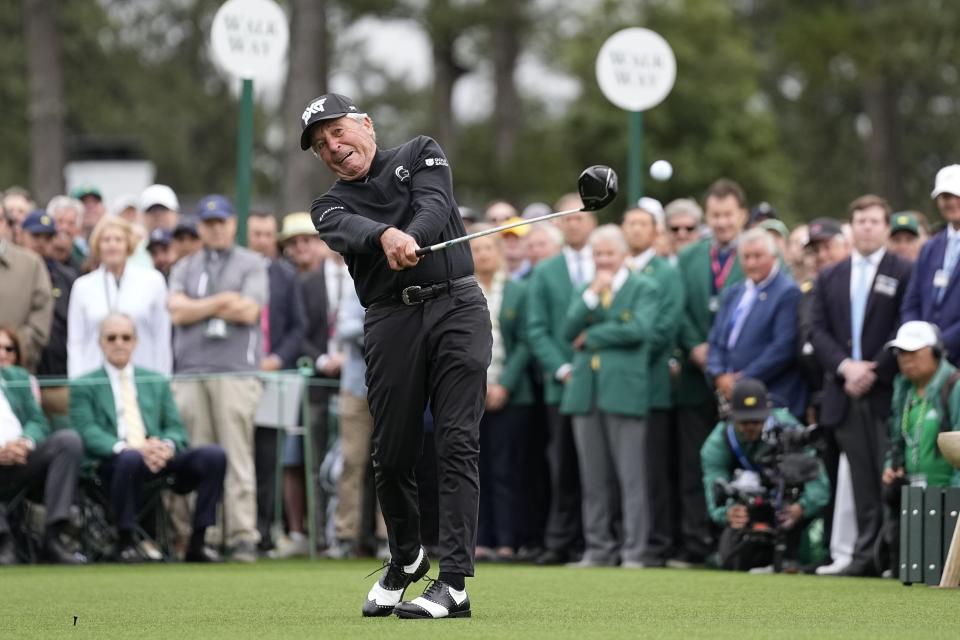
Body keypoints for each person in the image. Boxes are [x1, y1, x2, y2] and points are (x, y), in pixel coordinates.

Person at [302, 92, 490, 618]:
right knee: (392, 454)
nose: (334, 147)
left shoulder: (419, 152)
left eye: (338, 132)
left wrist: (412, 237)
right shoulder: (328, 205)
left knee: (457, 442)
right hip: (390, 318)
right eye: (322, 145)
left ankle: (452, 581)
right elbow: (351, 231)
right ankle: (406, 557)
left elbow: (435, 205)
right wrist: (385, 235)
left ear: (365, 123)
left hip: (456, 304)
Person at [808, 194, 913, 576]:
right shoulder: (830, 275)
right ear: (851, 227)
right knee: (861, 479)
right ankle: (866, 554)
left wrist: (875, 368)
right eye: (861, 220)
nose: (867, 227)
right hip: (844, 390)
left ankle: (893, 555)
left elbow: (906, 322)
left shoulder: (903, 271)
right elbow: (816, 330)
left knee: (890, 474)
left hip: (884, 388)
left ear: (886, 227)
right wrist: (845, 367)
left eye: (874, 221)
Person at [69, 313, 227, 563]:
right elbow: (87, 430)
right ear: (101, 343)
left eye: (126, 337)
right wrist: (128, 448)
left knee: (214, 456)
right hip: (113, 462)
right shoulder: (83, 385)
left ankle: (198, 542)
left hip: (158, 458)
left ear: (135, 342)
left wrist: (164, 446)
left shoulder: (155, 380)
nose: (119, 343)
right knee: (130, 458)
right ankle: (126, 541)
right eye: (112, 337)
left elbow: (176, 428)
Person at [168, 194, 267, 563]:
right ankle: (202, 535)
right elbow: (176, 311)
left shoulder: (252, 263)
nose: (216, 228)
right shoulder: (185, 265)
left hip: (236, 373)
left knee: (238, 457)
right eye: (209, 224)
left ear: (232, 223)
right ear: (200, 228)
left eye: (221, 222)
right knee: (198, 458)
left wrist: (201, 305)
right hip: (191, 372)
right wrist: (221, 300)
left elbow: (248, 310)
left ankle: (242, 535)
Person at [560, 225, 659, 567]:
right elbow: (567, 330)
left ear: (623, 256)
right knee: (593, 479)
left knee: (631, 478)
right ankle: (598, 548)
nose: (603, 260)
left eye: (609, 254)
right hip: (586, 393)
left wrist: (592, 336)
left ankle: (634, 550)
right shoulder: (586, 289)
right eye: (598, 254)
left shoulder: (644, 287)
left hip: (625, 392)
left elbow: (639, 330)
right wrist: (590, 297)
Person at [673, 178, 748, 566]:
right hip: (694, 377)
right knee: (693, 464)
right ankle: (694, 542)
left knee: (736, 463)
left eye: (728, 215)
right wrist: (694, 346)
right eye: (715, 215)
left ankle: (731, 541)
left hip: (738, 378)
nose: (721, 223)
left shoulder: (755, 254)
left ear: (742, 216)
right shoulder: (688, 258)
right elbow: (678, 309)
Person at [527, 193, 595, 566]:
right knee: (562, 463)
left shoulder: (608, 266)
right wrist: (562, 368)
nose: (574, 223)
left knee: (596, 465)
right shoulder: (546, 271)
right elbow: (537, 329)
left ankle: (595, 537)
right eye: (568, 218)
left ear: (592, 223)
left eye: (581, 218)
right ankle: (559, 539)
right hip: (562, 384)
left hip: (600, 382)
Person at [701, 378, 829, 572]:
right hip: (747, 513)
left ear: (768, 414)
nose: (750, 427)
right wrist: (729, 512)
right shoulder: (717, 444)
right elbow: (714, 491)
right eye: (743, 421)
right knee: (730, 556)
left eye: (756, 420)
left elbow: (819, 482)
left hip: (788, 513)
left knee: (805, 554)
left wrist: (801, 508)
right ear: (730, 416)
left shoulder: (788, 429)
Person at [621, 201, 685, 566]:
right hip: (617, 388)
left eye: (641, 224)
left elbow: (664, 328)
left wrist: (624, 356)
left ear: (655, 231)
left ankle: (658, 544)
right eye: (629, 224)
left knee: (652, 470)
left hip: (651, 386)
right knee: (626, 470)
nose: (634, 230)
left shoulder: (665, 273)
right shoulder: (616, 269)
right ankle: (629, 540)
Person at [469, 226, 534, 562]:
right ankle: (479, 539)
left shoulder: (518, 291)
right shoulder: (461, 291)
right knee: (473, 469)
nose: (483, 255)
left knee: (507, 469)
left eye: (488, 248)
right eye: (476, 249)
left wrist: (504, 384)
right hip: (469, 393)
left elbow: (525, 341)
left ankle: (508, 540)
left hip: (511, 392)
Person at [247, 211, 306, 554]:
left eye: (268, 234)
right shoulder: (235, 271)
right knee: (240, 455)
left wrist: (276, 359)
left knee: (270, 456)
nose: (262, 240)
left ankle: (265, 531)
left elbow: (298, 329)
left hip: (274, 377)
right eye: (256, 233)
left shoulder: (286, 276)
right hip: (238, 372)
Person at [707, 228, 805, 419]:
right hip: (730, 398)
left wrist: (741, 380)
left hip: (771, 397)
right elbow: (716, 339)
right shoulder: (733, 292)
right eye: (746, 257)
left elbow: (783, 347)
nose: (752, 263)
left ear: (773, 256)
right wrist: (718, 374)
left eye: (758, 256)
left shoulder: (787, 292)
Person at [0, 363, 86, 564]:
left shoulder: (16, 377)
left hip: (23, 458)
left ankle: (54, 537)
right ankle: (3, 541)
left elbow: (38, 421)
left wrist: (25, 442)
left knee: (68, 440)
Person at [67, 216, 171, 378]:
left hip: (143, 374)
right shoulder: (82, 286)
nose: (112, 245)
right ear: (97, 245)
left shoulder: (153, 281)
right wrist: (78, 382)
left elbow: (161, 336)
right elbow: (76, 341)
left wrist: (162, 380)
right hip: (95, 378)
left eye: (118, 239)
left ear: (128, 244)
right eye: (106, 240)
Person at [20, 211, 76, 421]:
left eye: (48, 238)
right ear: (21, 235)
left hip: (59, 379)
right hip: (22, 377)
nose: (42, 244)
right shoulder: (12, 274)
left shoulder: (67, 278)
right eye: (35, 237)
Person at [901, 165, 960, 365]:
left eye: (955, 195)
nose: (950, 202)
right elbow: (912, 302)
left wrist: (937, 345)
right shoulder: (930, 247)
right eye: (944, 197)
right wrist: (916, 342)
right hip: (926, 365)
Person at [0, 210, 53, 372]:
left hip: (18, 375)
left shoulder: (31, 264)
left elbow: (41, 319)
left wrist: (11, 348)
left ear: (3, 223)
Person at [47, 195, 87, 271]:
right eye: (59, 221)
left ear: (78, 229)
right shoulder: (40, 257)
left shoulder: (83, 262)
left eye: (71, 223)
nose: (64, 228)